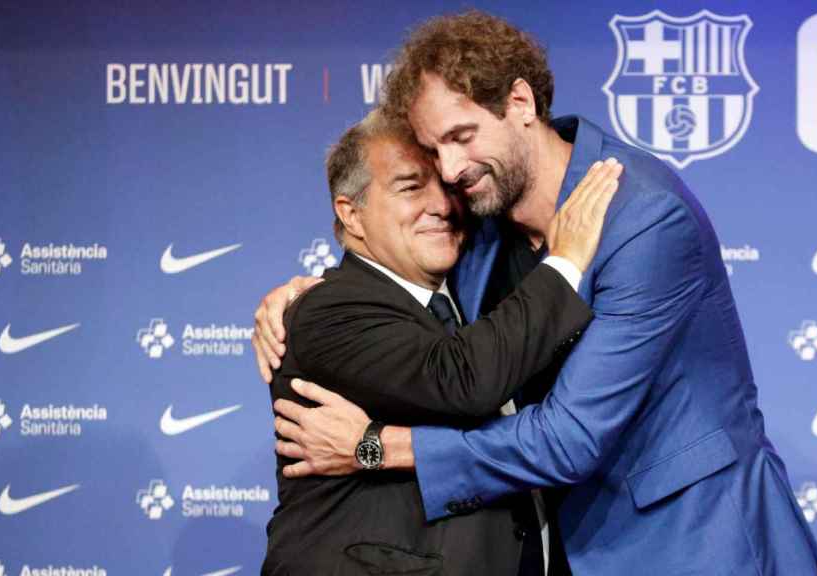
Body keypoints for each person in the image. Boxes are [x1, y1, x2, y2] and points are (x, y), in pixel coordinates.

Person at [255, 11, 817, 576]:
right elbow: (399, 283)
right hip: (568, 545)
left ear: (521, 105)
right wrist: (301, 297)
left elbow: (571, 437)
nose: (450, 170)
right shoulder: (481, 218)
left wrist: (378, 446)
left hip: (692, 540)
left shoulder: (643, 219)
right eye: (435, 151)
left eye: (462, 136)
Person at [261, 109, 622, 575]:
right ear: (351, 213)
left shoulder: (471, 291)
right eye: (410, 187)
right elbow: (465, 377)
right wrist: (567, 259)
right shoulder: (328, 312)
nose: (443, 205)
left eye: (449, 188)